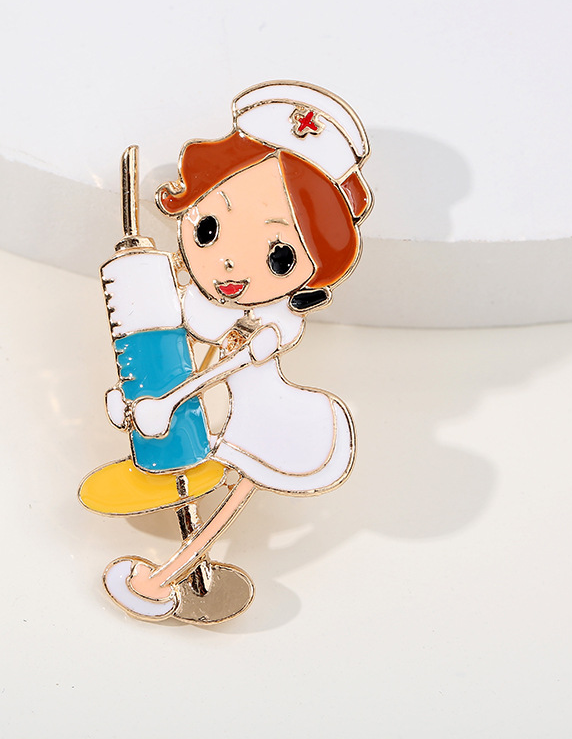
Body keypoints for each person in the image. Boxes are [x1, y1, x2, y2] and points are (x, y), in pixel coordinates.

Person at [104, 81, 372, 619]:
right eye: (209, 228)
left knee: (238, 490)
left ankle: (171, 577)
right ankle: (182, 575)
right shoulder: (191, 300)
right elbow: (167, 345)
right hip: (206, 414)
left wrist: (169, 401)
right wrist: (140, 399)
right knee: (199, 474)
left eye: (279, 257)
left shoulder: (274, 323)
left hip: (264, 417)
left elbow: (229, 365)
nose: (229, 266)